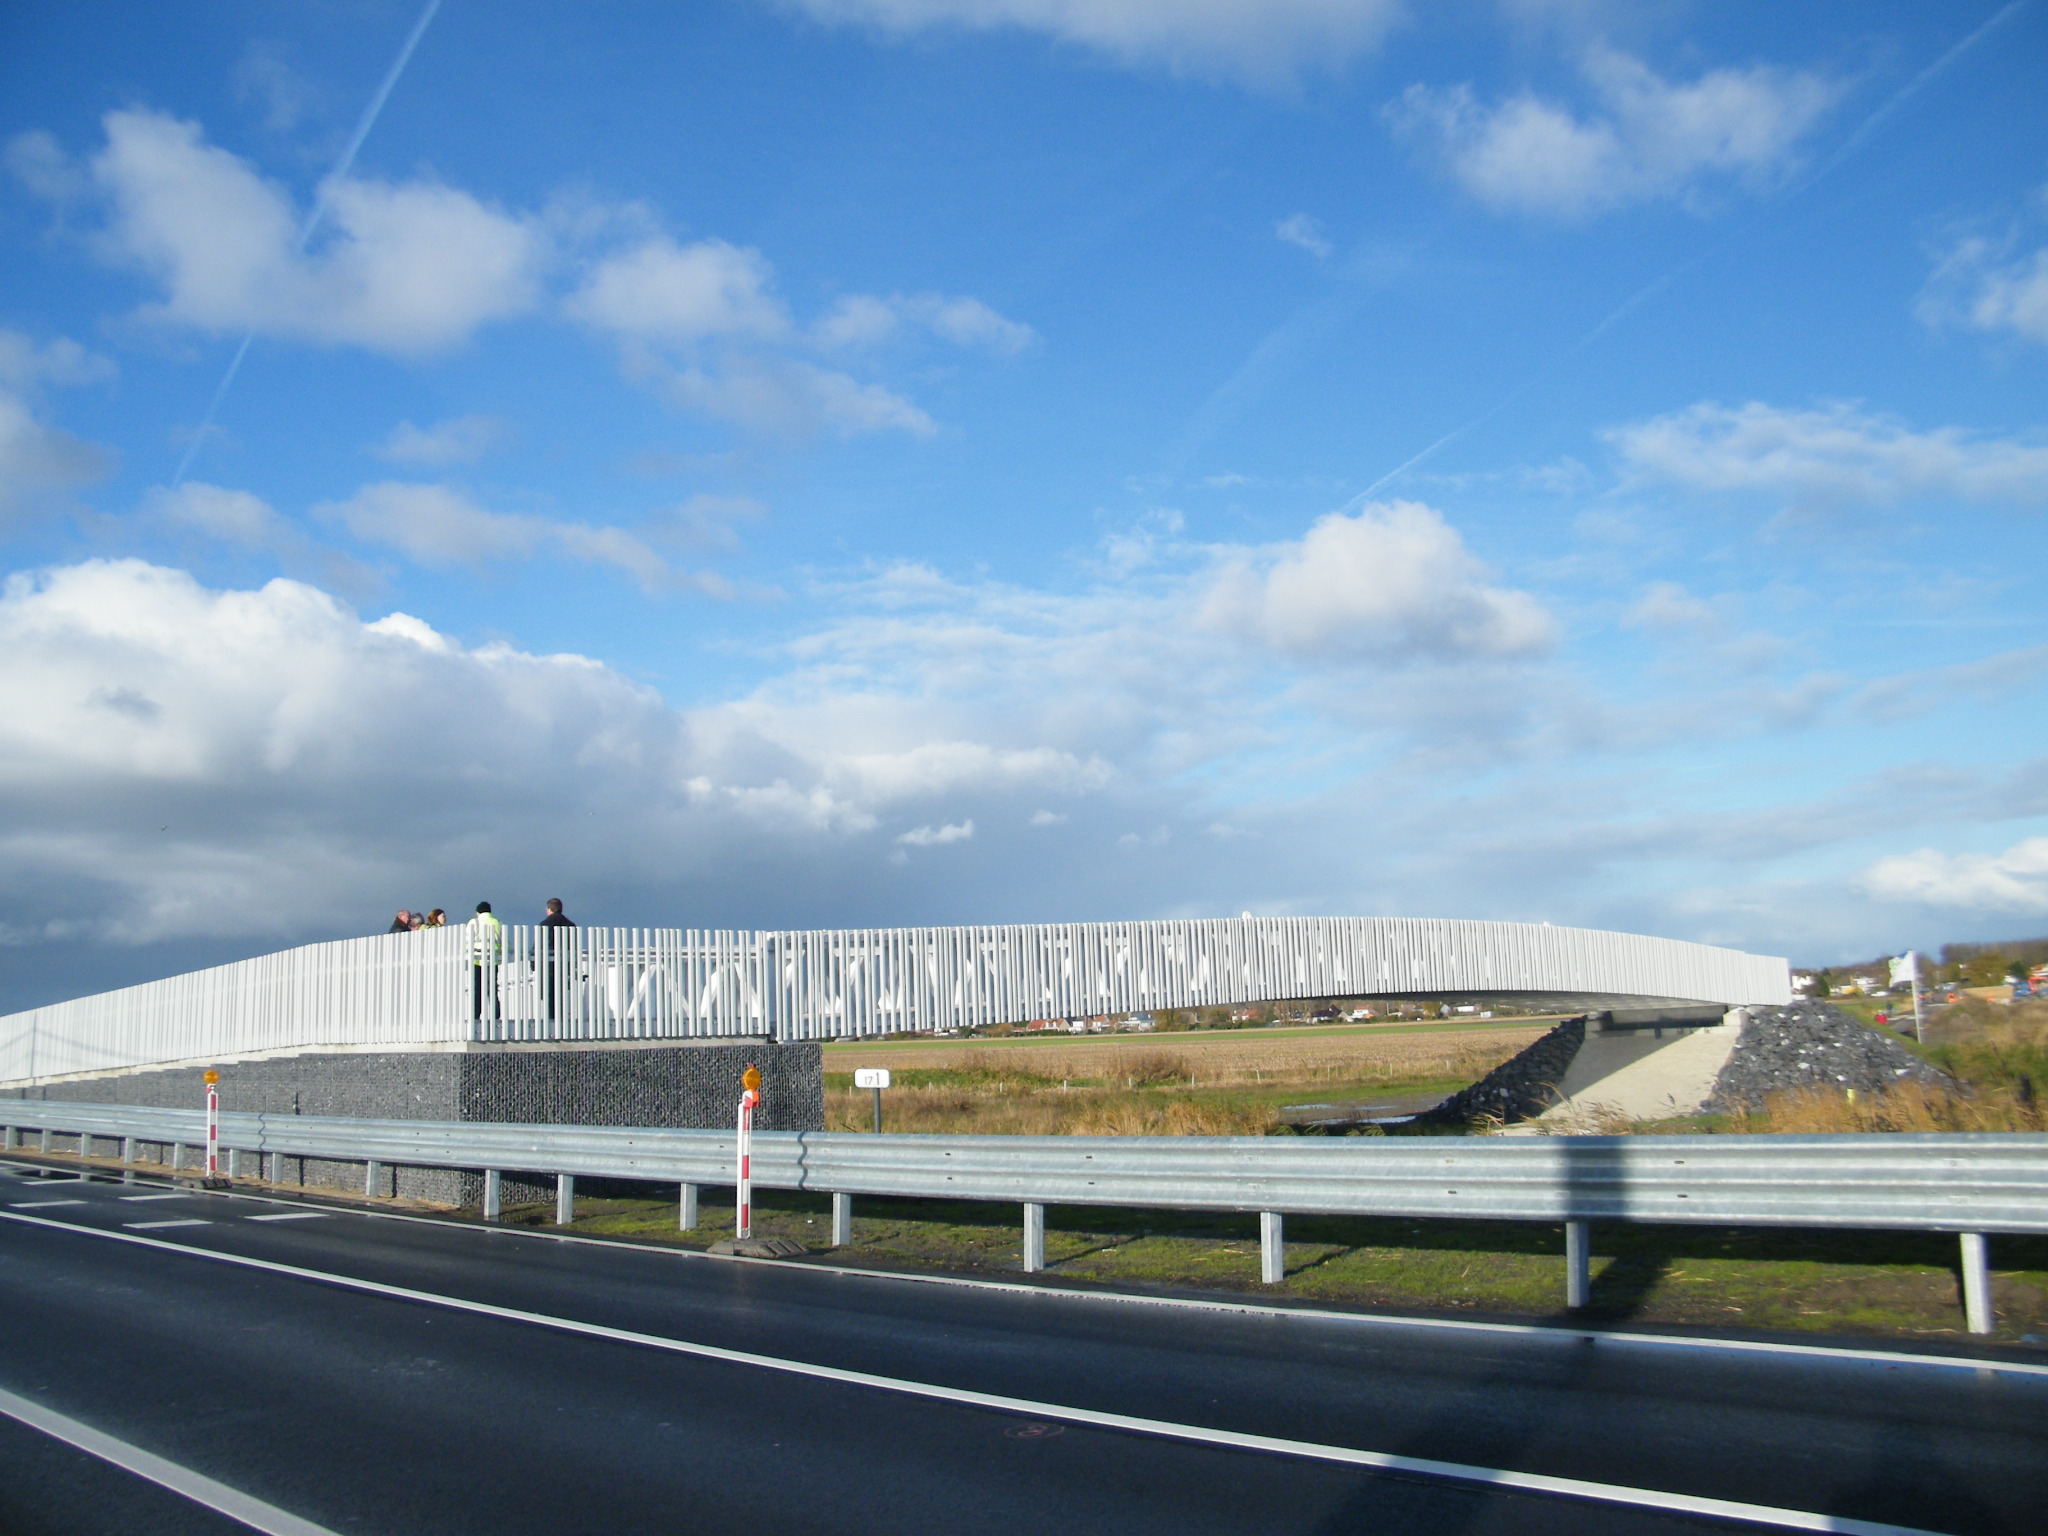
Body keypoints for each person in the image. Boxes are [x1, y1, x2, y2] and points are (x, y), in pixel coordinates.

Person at [540, 898, 576, 1022]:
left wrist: (534, 965)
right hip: (564, 965)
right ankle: (561, 1020)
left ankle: (551, 1020)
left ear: (549, 909)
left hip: (548, 966)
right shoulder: (571, 925)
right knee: (561, 994)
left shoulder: (545, 925)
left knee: (549, 995)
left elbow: (539, 946)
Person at [468, 902, 503, 1024]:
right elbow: (505, 942)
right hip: (493, 961)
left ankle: (476, 1015)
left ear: (478, 912)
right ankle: (496, 1014)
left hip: (477, 961)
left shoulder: (475, 922)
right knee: (492, 988)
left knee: (477, 989)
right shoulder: (497, 922)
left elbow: (468, 942)